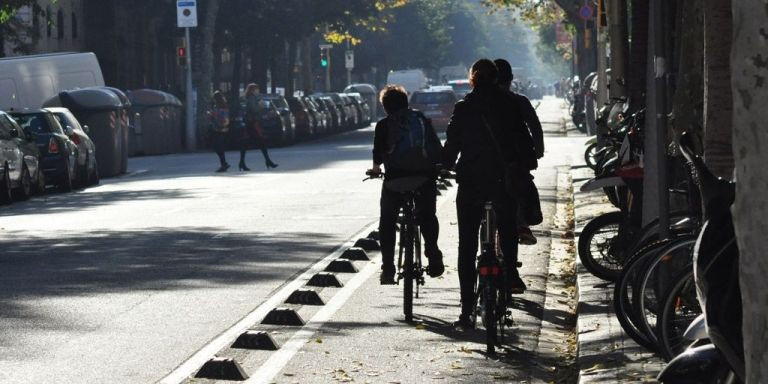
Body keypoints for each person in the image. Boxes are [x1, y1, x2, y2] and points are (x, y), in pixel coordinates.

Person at [442, 59, 530, 328]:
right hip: (502, 180)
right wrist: (524, 163)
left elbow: (453, 143)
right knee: (507, 227)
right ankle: (510, 274)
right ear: (496, 79)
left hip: (471, 182)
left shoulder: (464, 107)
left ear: (472, 80)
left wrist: (443, 164)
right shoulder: (509, 105)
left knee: (467, 245)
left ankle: (466, 309)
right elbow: (523, 141)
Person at [371, 85, 445, 284]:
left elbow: (378, 154)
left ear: (385, 107)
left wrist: (376, 170)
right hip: (423, 178)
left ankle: (388, 268)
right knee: (428, 215)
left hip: (394, 180)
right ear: (406, 102)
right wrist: (440, 167)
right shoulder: (420, 119)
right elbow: (435, 147)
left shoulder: (383, 125)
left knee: (387, 221)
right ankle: (433, 253)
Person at [494, 59, 544, 245]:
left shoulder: (476, 102)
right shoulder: (519, 100)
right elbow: (535, 127)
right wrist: (538, 150)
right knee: (521, 188)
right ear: (511, 79)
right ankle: (522, 223)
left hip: (486, 161)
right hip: (517, 158)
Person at [243, 83, 278, 170]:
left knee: (247, 143)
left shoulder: (253, 98)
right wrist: (261, 106)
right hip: (252, 123)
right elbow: (254, 109)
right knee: (260, 143)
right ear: (252, 90)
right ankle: (268, 161)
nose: (258, 91)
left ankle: (242, 162)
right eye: (256, 89)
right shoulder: (251, 98)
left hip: (252, 122)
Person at [209, 91, 231, 173]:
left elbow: (223, 117)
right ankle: (224, 163)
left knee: (218, 146)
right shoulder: (221, 106)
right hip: (219, 128)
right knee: (217, 146)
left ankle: (224, 164)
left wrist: (213, 115)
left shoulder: (220, 107)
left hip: (219, 128)